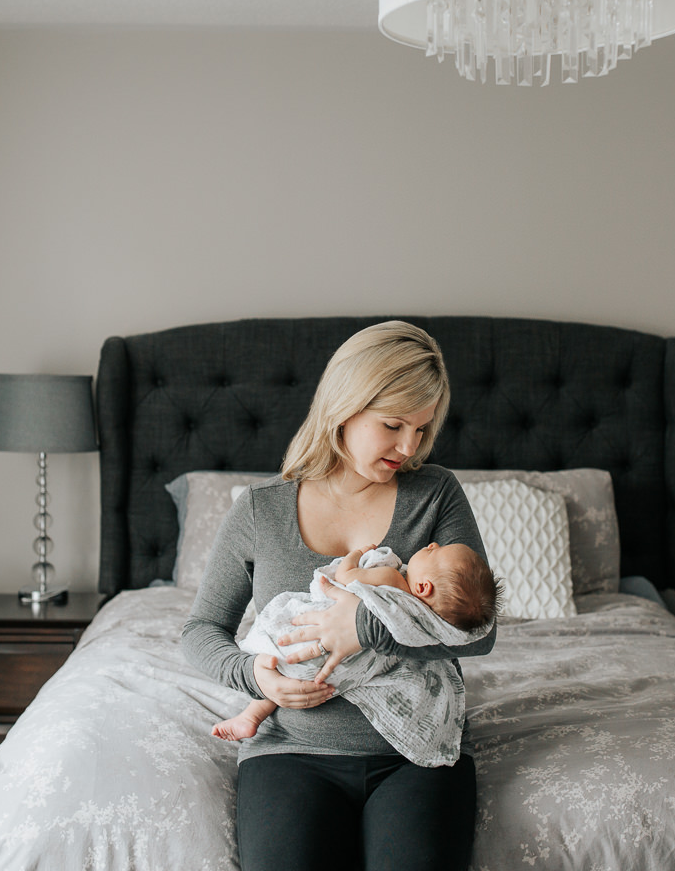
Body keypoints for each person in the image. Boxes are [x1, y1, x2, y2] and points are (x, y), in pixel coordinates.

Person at [182, 321, 494, 871]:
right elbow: (201, 631)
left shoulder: (436, 493)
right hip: (291, 753)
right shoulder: (260, 511)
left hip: (417, 756)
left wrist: (363, 628)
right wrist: (256, 676)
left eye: (422, 431)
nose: (409, 447)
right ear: (344, 408)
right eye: (394, 424)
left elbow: (478, 631)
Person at [211, 540, 501, 747]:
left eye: (434, 552)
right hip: (339, 678)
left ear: (423, 587)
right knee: (294, 677)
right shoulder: (428, 624)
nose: (434, 543)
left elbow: (344, 577)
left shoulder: (389, 575)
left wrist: (355, 555)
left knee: (285, 653)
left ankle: (251, 715)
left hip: (310, 650)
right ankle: (251, 716)